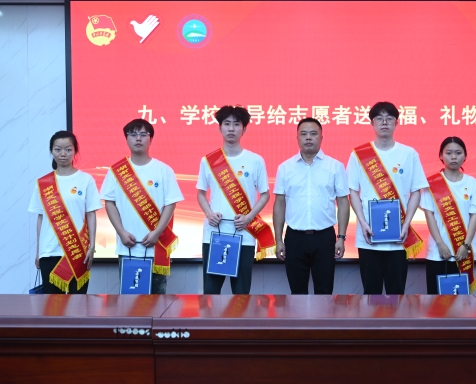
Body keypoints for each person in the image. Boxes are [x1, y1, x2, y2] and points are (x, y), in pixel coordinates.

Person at [347, 101, 428, 295]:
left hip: (399, 237)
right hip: (368, 237)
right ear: (372, 124)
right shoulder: (359, 155)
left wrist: (406, 224)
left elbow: (416, 191)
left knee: (397, 293)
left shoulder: (409, 154)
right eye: (379, 118)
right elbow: (352, 192)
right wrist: (363, 223)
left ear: (396, 123)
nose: (384, 122)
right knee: (370, 293)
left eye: (389, 118)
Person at [100, 119, 183, 294]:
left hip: (156, 246)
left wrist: (157, 232)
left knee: (157, 300)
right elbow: (109, 203)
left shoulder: (163, 170)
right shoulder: (116, 171)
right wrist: (121, 232)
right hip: (127, 246)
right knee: (129, 301)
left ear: (150, 139)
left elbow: (171, 204)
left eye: (143, 134)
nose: (138, 138)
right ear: (126, 139)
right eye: (133, 134)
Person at [197, 105, 274, 294]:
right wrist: (209, 214)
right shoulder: (208, 161)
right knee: (211, 291)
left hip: (244, 235)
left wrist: (248, 218)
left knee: (241, 293)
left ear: (244, 129)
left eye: (236, 124)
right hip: (214, 234)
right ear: (219, 128)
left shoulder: (255, 160)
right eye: (227, 124)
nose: (231, 128)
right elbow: (201, 193)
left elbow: (265, 194)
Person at [273, 117, 350, 294]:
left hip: (324, 238)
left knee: (324, 293)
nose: (308, 137)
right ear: (297, 138)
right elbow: (280, 204)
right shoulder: (285, 168)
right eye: (304, 134)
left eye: (313, 134)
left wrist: (341, 237)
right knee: (297, 293)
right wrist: (278, 240)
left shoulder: (335, 166)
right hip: (294, 238)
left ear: (321, 138)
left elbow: (343, 203)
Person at [28, 131, 102, 294]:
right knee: (52, 305)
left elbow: (91, 215)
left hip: (78, 251)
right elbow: (41, 218)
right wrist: (38, 251)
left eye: (68, 149)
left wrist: (92, 247)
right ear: (51, 151)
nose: (63, 154)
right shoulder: (43, 183)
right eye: (58, 149)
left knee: (79, 304)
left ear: (75, 151)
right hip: (49, 251)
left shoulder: (86, 180)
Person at [420, 137, 476, 294]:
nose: (454, 157)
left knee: (461, 302)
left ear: (465, 156)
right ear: (441, 155)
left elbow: (474, 217)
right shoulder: (431, 183)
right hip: (437, 252)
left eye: (458, 153)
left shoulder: (472, 183)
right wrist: (440, 244)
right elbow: (429, 216)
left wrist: (466, 245)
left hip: (463, 251)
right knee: (435, 301)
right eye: (449, 153)